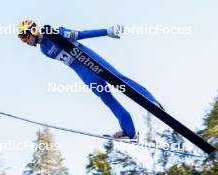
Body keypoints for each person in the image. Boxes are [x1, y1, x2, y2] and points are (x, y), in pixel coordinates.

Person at [17, 20, 164, 139]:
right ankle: (129, 131)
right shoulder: (43, 50)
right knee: (106, 98)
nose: (25, 41)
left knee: (118, 80)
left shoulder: (56, 32)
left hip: (88, 58)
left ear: (34, 31)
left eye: (25, 37)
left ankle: (152, 101)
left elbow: (81, 35)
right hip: (82, 71)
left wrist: (106, 32)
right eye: (23, 39)